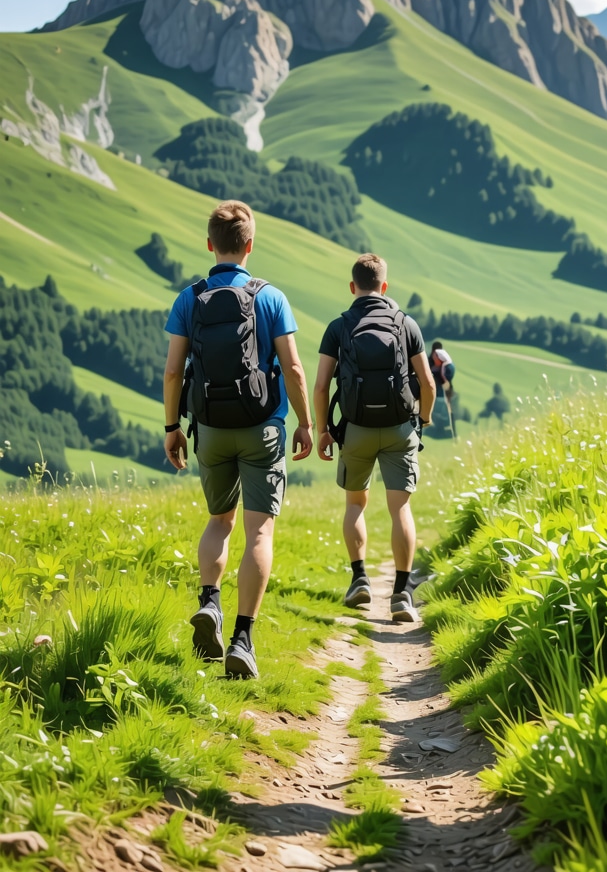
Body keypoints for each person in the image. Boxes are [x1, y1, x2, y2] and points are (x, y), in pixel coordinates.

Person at [163, 200, 313, 680]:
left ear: (210, 245)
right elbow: (291, 367)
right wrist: (307, 423)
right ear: (250, 245)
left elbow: (172, 372)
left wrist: (171, 428)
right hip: (262, 426)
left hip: (209, 428)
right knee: (259, 531)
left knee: (218, 522)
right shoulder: (271, 297)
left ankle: (210, 602)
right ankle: (243, 640)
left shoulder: (189, 298)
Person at [313, 254, 436, 622]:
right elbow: (427, 384)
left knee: (355, 504)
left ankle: (359, 579)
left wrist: (323, 430)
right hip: (400, 428)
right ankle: (401, 593)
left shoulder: (338, 327)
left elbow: (320, 387)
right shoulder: (405, 324)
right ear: (385, 287)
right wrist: (422, 419)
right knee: (400, 507)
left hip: (355, 429)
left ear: (353, 288)